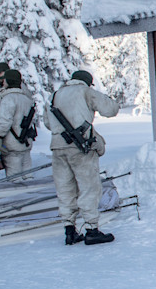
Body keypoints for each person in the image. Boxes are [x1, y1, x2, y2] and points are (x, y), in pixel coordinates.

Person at [46, 69, 119, 245]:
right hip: (80, 146)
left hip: (58, 147)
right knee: (88, 187)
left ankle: (69, 230)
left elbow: (48, 122)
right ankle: (92, 230)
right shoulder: (86, 91)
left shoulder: (55, 95)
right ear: (87, 82)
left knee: (65, 189)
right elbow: (111, 110)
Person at [0, 69, 36, 177]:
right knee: (28, 175)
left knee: (14, 178)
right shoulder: (26, 98)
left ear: (7, 81)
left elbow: (5, 122)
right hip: (25, 142)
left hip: (12, 144)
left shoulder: (8, 99)